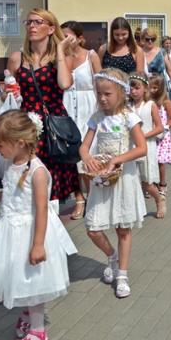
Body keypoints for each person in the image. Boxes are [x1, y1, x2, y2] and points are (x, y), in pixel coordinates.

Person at [0, 110, 77, 340]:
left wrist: (38, 244)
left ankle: (38, 331)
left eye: (0, 145)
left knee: (32, 282)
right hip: (10, 230)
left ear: (19, 143)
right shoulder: (12, 164)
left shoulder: (37, 172)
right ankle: (28, 314)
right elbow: (12, 194)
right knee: (18, 277)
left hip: (29, 233)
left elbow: (41, 209)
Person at [81, 69, 148, 298]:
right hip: (102, 178)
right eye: (99, 93)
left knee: (122, 228)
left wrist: (117, 159)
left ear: (121, 92)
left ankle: (122, 274)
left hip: (123, 178)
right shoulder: (97, 118)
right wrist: (87, 157)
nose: (102, 98)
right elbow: (84, 146)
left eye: (107, 94)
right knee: (93, 229)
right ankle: (112, 256)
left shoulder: (129, 117)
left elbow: (142, 148)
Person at [7, 9, 80, 202]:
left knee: (52, 176)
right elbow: (9, 94)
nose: (32, 26)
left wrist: (60, 50)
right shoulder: (17, 58)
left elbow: (64, 83)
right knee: (27, 172)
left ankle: (50, 217)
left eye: (38, 22)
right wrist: (11, 93)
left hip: (52, 123)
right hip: (26, 123)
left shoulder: (61, 58)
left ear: (51, 28)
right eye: (29, 22)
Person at [60, 21, 101, 220]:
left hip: (89, 109)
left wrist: (102, 113)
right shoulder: (60, 57)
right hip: (67, 108)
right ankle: (79, 198)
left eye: (68, 36)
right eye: (61, 36)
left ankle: (93, 195)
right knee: (71, 159)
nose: (64, 39)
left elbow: (101, 84)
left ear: (79, 38)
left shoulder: (91, 55)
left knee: (88, 156)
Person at [128, 73, 166, 218]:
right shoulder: (127, 106)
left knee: (147, 183)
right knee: (132, 180)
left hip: (146, 146)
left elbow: (159, 128)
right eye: (131, 88)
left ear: (145, 88)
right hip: (131, 147)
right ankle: (136, 210)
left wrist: (142, 136)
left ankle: (159, 199)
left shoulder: (150, 105)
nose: (133, 91)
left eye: (137, 88)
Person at [149, 73, 171, 198]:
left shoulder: (166, 102)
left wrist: (165, 127)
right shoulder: (148, 102)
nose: (152, 90)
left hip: (162, 137)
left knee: (160, 161)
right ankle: (151, 184)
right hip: (150, 134)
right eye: (150, 87)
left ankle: (162, 183)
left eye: (155, 88)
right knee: (150, 160)